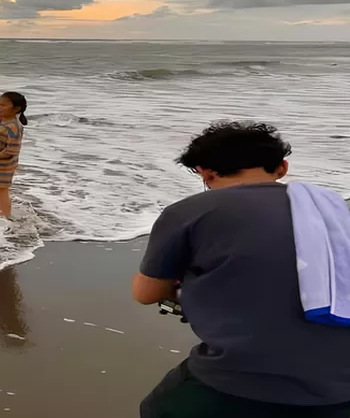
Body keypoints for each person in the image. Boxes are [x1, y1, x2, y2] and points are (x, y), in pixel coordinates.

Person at [133, 121, 350, 418]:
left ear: (205, 172)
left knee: (158, 408)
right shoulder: (335, 211)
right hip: (339, 389)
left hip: (239, 384)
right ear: (282, 168)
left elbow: (146, 293)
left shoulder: (191, 211)